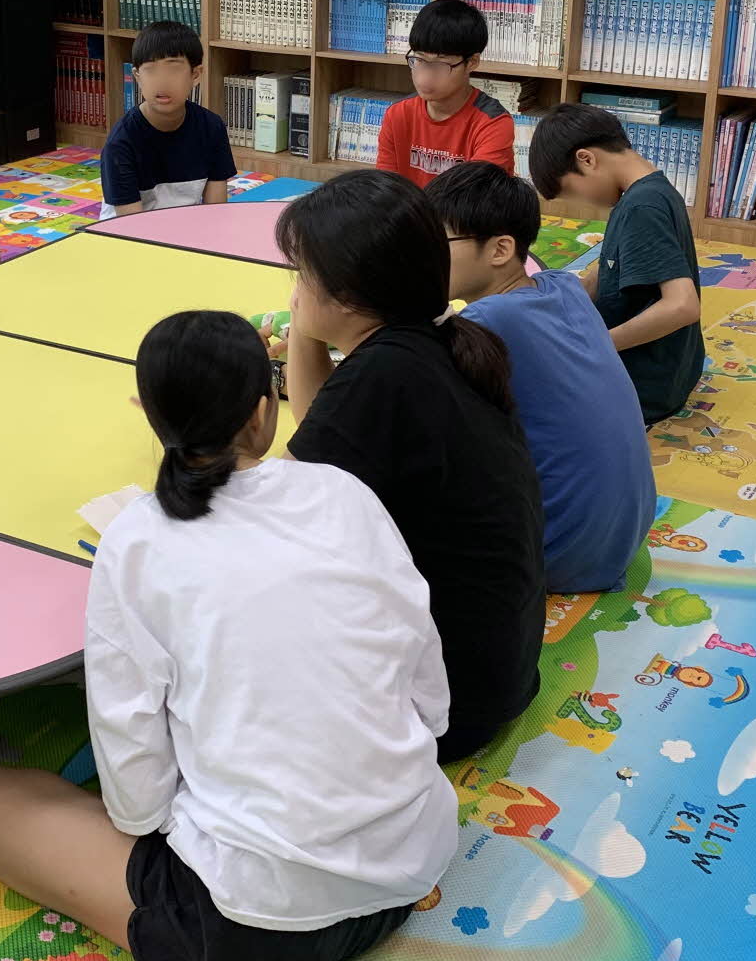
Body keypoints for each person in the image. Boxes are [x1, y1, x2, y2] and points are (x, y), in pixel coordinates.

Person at [0, 311, 456, 961]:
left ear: (153, 418)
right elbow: (430, 696)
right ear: (262, 411)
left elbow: (136, 799)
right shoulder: (344, 493)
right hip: (414, 864)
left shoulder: (135, 541)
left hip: (250, 940)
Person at [276, 170, 545, 762]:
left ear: (349, 291)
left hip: (441, 707)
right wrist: (304, 326)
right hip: (498, 672)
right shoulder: (438, 339)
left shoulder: (384, 375)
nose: (295, 286)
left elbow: (282, 502)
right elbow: (323, 430)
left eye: (302, 273)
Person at [427, 161, 656, 593]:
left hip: (556, 554)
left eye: (436, 242)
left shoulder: (484, 323)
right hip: (621, 538)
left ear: (500, 250)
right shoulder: (563, 287)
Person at [529, 103, 703, 425]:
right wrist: (564, 296)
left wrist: (599, 345)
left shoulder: (641, 208)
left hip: (643, 386)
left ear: (587, 159)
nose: (582, 203)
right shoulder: (650, 191)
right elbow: (611, 264)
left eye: (571, 192)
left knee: (521, 389)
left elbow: (683, 305)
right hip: (673, 371)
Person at [374, 0, 515, 189]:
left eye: (440, 64)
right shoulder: (398, 115)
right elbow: (385, 192)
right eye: (419, 60)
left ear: (471, 62)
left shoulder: (493, 124)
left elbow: (474, 199)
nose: (425, 78)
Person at [99, 21, 237, 217]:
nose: (162, 81)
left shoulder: (212, 128)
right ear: (137, 77)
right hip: (127, 230)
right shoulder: (121, 143)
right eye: (151, 70)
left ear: (195, 74)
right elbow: (128, 226)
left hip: (187, 228)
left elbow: (216, 212)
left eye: (173, 69)